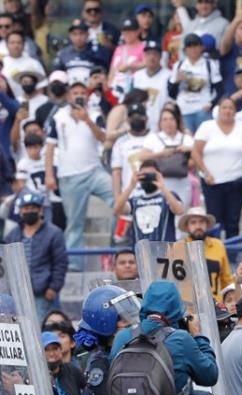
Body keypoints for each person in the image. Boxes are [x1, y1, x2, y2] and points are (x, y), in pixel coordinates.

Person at [45, 80, 112, 271]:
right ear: (68, 96)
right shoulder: (58, 116)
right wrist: (49, 174)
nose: (79, 96)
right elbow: (49, 147)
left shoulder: (96, 114)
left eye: (83, 92)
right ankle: (74, 265)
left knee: (120, 202)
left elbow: (104, 138)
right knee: (75, 223)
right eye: (75, 93)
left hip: (94, 171)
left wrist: (87, 120)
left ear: (88, 96)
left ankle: (118, 243)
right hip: (69, 175)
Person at [192, 98, 242, 238]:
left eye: (231, 108)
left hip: (237, 182)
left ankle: (233, 251)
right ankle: (214, 250)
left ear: (235, 111)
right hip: (212, 182)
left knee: (233, 222)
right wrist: (205, 172)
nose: (227, 111)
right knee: (214, 222)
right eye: (224, 107)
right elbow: (196, 152)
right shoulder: (206, 126)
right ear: (218, 110)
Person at [5, 191, 66, 320]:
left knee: (39, 326)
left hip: (41, 293)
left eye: (33, 208)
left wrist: (53, 287)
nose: (29, 211)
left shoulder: (54, 233)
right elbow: (6, 262)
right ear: (20, 211)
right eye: (26, 208)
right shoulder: (13, 234)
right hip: (17, 293)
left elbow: (60, 263)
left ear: (40, 210)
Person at [113, 160, 185, 243]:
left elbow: (179, 211)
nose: (147, 178)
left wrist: (163, 187)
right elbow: (117, 210)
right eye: (144, 175)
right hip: (141, 249)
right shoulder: (135, 200)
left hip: (165, 249)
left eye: (151, 175)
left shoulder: (168, 197)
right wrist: (131, 186)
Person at [168, 33, 223, 133]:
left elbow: (220, 89)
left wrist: (211, 104)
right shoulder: (178, 66)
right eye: (189, 46)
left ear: (202, 47)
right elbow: (171, 93)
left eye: (196, 45)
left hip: (203, 110)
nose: (193, 49)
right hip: (184, 110)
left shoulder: (210, 64)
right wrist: (177, 81)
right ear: (185, 50)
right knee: (187, 140)